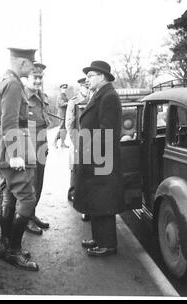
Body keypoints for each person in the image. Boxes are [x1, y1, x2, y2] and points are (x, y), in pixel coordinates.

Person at [0, 47, 39, 271]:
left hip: (4, 147)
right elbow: (9, 122)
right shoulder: (15, 83)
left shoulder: (4, 79)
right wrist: (16, 155)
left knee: (9, 196)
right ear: (22, 63)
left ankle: (5, 246)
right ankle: (14, 252)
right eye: (31, 64)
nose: (33, 68)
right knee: (27, 199)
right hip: (12, 149)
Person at [73, 60, 124, 257]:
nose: (87, 79)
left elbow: (107, 132)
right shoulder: (100, 94)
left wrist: (88, 148)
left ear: (101, 76)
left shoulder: (109, 96)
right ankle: (98, 238)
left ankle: (108, 244)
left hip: (101, 158)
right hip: (95, 156)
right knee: (95, 198)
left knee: (104, 201)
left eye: (90, 75)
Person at [24, 62, 50, 235]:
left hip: (41, 142)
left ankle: (32, 215)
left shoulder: (42, 96)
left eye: (41, 77)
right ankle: (25, 219)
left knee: (39, 183)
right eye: (35, 77)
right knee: (29, 184)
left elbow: (44, 122)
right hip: (28, 145)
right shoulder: (21, 97)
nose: (38, 81)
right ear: (27, 77)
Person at [65, 77, 90, 221]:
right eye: (84, 87)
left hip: (91, 142)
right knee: (76, 169)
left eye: (88, 86)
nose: (87, 89)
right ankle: (74, 193)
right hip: (77, 140)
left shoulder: (94, 99)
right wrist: (76, 142)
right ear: (80, 87)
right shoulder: (74, 102)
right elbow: (69, 124)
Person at [53, 84, 69, 148]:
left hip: (65, 114)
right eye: (63, 88)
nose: (64, 89)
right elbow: (61, 104)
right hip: (61, 114)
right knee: (61, 128)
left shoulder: (64, 96)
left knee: (64, 129)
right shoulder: (60, 96)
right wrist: (69, 103)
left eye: (65, 88)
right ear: (61, 89)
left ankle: (62, 143)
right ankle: (55, 142)